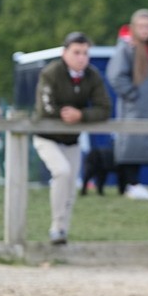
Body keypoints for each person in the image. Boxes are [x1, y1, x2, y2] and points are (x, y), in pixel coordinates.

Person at [33, 32, 112, 243]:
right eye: (76, 52)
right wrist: (65, 114)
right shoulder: (51, 73)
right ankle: (56, 227)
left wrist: (81, 115)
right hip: (47, 137)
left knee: (70, 187)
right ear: (64, 53)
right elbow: (44, 107)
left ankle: (62, 232)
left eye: (85, 53)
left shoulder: (92, 75)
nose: (81, 58)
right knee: (61, 172)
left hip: (72, 139)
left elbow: (104, 108)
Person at [107, 10, 148, 201]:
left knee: (146, 145)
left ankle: (136, 184)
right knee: (131, 146)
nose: (145, 30)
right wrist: (133, 94)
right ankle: (131, 184)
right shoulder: (126, 49)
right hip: (134, 107)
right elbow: (116, 76)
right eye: (141, 26)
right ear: (134, 28)